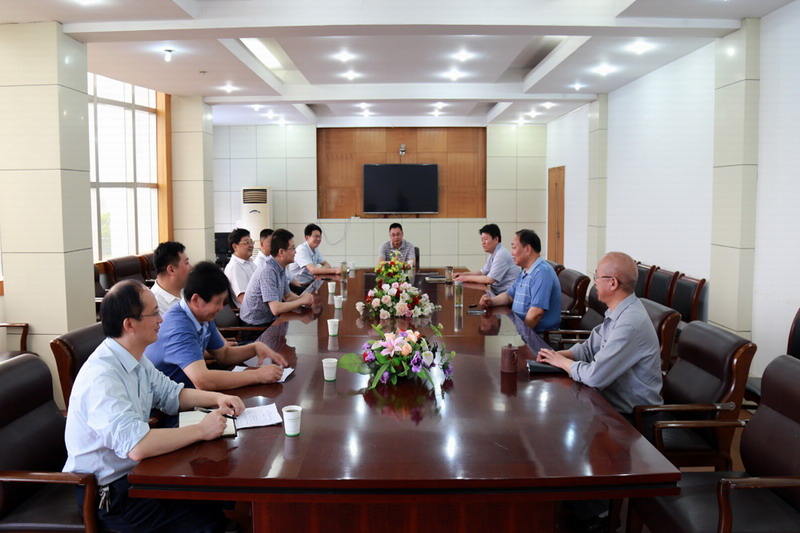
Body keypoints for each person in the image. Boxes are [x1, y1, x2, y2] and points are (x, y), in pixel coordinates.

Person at [63, 279, 245, 533]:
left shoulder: (134, 356)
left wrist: (217, 398)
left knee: (212, 496)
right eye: (154, 313)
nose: (161, 319)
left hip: (136, 474)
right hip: (111, 495)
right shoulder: (102, 378)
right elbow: (137, 446)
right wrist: (202, 430)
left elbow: (172, 394)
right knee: (206, 517)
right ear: (129, 324)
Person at [536, 251, 663, 417]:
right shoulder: (618, 311)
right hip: (608, 404)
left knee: (556, 416)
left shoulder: (629, 323)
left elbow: (594, 377)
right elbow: (588, 349)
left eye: (597, 276)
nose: (594, 281)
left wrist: (562, 362)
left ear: (612, 283)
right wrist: (554, 356)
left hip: (633, 418)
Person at [145, 261, 288, 391]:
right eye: (218, 302)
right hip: (164, 405)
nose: (221, 308)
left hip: (187, 392)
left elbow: (224, 354)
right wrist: (257, 375)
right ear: (196, 300)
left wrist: (255, 348)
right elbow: (203, 381)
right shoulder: (178, 328)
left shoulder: (202, 317)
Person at [479, 229, 561, 349]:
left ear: (527, 249)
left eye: (514, 248)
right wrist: (491, 301)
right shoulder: (525, 271)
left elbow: (536, 314)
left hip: (540, 338)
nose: (511, 253)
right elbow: (509, 295)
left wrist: (520, 339)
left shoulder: (542, 272)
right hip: (523, 330)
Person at [240, 228, 314, 327]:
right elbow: (276, 309)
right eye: (292, 248)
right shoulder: (268, 270)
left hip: (269, 320)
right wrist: (301, 301)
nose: (295, 252)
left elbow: (288, 296)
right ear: (281, 252)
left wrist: (304, 300)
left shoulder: (280, 267)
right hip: (255, 327)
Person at [454, 223, 520, 294]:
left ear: (496, 239)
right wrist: (463, 274)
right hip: (497, 293)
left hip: (506, 296)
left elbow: (489, 280)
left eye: (485, 239)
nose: (483, 243)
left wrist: (465, 278)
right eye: (482, 240)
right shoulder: (493, 253)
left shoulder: (501, 254)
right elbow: (482, 272)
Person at [287, 223, 339, 292]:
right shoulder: (302, 249)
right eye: (316, 236)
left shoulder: (314, 249)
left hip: (310, 284)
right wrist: (335, 271)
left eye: (320, 236)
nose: (318, 239)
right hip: (298, 287)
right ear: (307, 237)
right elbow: (313, 270)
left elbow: (327, 264)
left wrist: (318, 272)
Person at [150, 241, 192, 315]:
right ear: (171, 270)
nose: (191, 267)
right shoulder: (154, 305)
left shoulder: (187, 290)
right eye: (186, 263)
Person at [223, 228, 256, 304]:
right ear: (235, 246)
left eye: (251, 242)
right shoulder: (235, 267)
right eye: (247, 242)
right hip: (252, 310)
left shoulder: (249, 262)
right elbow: (243, 299)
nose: (251, 246)